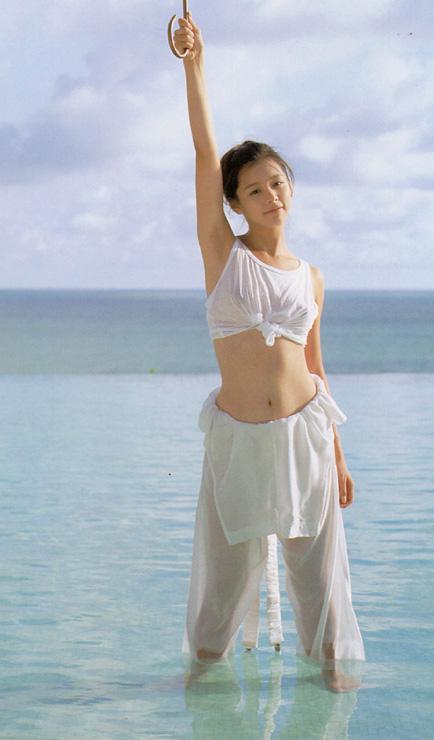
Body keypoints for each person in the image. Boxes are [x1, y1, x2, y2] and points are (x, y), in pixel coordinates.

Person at [173, 12, 366, 692]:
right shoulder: (223, 256)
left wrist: (338, 454)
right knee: (225, 579)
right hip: (240, 438)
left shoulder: (312, 277)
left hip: (306, 434)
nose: (270, 195)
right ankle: (204, 686)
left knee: (318, 578)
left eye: (277, 182)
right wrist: (195, 65)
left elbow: (316, 367)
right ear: (234, 203)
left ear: (291, 187)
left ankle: (332, 683)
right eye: (253, 189)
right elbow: (205, 153)